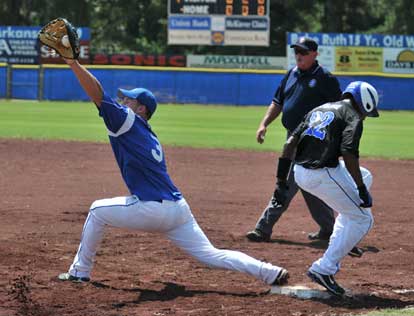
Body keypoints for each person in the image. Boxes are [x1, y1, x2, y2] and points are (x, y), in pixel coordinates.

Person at [56, 57, 289, 287]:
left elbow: (98, 94)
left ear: (141, 108)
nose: (123, 102)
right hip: (178, 210)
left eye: (128, 99)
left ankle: (80, 271)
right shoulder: (148, 135)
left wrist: (73, 63)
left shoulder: (127, 121)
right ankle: (268, 271)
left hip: (152, 208)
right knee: (211, 255)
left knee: (97, 210)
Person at [272, 81, 379, 296]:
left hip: (300, 172)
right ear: (364, 104)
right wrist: (360, 189)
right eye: (369, 112)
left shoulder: (318, 109)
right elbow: (348, 152)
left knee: (366, 175)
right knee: (363, 218)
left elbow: (288, 145)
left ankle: (343, 241)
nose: (367, 116)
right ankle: (324, 269)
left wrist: (280, 182)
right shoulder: (353, 116)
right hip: (321, 174)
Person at [246, 37, 341, 243]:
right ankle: (329, 228)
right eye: (296, 51)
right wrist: (264, 124)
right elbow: (277, 102)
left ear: (315, 54)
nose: (299, 55)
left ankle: (263, 228)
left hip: (314, 140)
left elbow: (340, 111)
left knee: (287, 182)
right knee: (308, 184)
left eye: (304, 52)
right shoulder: (291, 74)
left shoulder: (325, 78)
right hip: (292, 136)